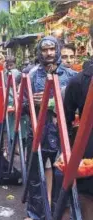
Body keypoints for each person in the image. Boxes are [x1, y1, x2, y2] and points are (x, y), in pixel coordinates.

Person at [24, 36, 77, 220]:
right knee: (35, 176)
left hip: (62, 134)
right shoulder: (30, 76)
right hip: (38, 132)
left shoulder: (71, 76)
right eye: (45, 50)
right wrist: (34, 103)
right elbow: (22, 105)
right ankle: (36, 214)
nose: (49, 53)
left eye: (52, 49)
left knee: (61, 176)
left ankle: (58, 214)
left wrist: (54, 103)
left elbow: (76, 106)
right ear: (40, 52)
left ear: (57, 50)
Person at [60, 24, 93, 219]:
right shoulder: (77, 81)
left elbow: (66, 121)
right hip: (87, 155)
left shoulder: (77, 81)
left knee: (87, 200)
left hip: (87, 153)